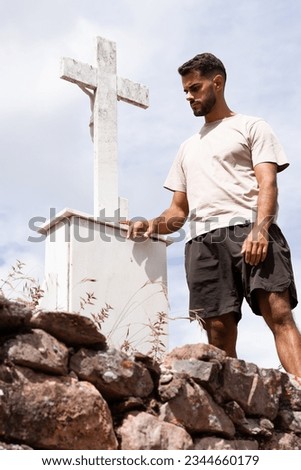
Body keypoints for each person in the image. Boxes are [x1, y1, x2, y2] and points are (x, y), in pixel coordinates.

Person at [127, 52, 301, 377]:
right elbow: (178, 212)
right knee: (218, 331)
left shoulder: (251, 126)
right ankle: (234, 413)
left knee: (278, 312)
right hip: (202, 243)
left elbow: (268, 183)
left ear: (217, 83)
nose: (189, 97)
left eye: (194, 88)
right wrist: (151, 224)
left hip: (250, 229)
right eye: (185, 92)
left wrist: (261, 230)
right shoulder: (187, 148)